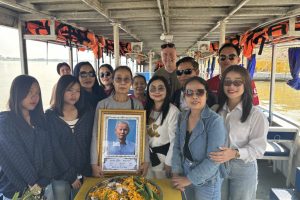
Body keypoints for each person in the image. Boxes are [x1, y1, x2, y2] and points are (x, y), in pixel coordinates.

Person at [209, 65, 268, 200]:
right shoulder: (215, 110)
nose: (232, 86)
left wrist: (235, 153)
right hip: (217, 165)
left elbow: (258, 149)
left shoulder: (256, 115)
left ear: (245, 84)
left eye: (237, 82)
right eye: (227, 82)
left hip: (244, 167)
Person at [172, 76, 226, 200]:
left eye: (199, 92)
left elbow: (214, 160)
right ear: (184, 96)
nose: (194, 96)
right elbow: (177, 147)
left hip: (207, 179)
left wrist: (188, 179)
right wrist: (176, 173)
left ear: (206, 95)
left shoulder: (214, 121)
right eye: (189, 93)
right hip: (185, 170)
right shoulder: (182, 117)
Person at [0, 75, 53, 199]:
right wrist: (35, 185)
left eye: (37, 93)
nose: (34, 97)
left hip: (41, 186)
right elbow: (17, 158)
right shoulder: (6, 122)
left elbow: (48, 152)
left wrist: (44, 180)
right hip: (15, 190)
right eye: (29, 92)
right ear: (17, 93)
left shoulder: (39, 120)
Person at [90, 65, 149, 177]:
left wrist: (146, 160)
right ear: (112, 81)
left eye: (126, 79)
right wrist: (94, 163)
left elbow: (143, 135)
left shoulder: (137, 105)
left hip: (131, 163)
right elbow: (95, 135)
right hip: (107, 163)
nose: (122, 82)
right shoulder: (103, 104)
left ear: (131, 82)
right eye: (118, 79)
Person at [45, 75, 94, 200]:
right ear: (60, 91)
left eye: (77, 91)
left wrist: (87, 169)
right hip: (61, 173)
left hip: (84, 172)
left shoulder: (86, 112)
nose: (74, 94)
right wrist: (70, 176)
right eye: (69, 90)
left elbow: (90, 143)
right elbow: (54, 149)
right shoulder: (50, 116)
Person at [145, 76, 179, 179]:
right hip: (147, 157)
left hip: (164, 158)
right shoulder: (146, 109)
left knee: (162, 189)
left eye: (160, 88)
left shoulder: (173, 111)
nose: (157, 91)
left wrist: (169, 163)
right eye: (153, 89)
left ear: (167, 90)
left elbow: (175, 140)